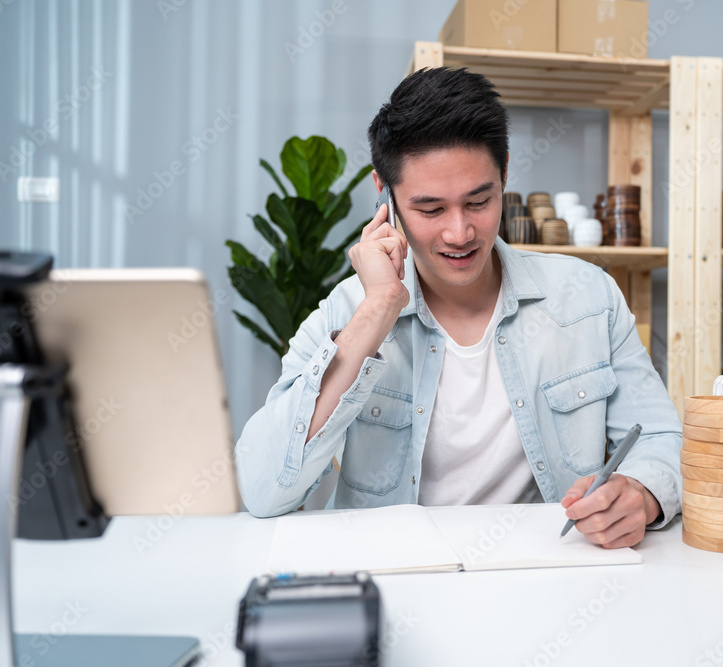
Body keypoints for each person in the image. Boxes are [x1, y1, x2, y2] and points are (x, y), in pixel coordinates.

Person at [235, 67, 681, 548]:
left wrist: (640, 492)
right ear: (384, 194)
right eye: (430, 210)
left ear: (505, 172)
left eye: (479, 201)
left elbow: (661, 438)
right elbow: (263, 491)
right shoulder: (347, 312)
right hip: (399, 577)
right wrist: (380, 308)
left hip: (545, 571)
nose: (460, 233)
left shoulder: (587, 297)